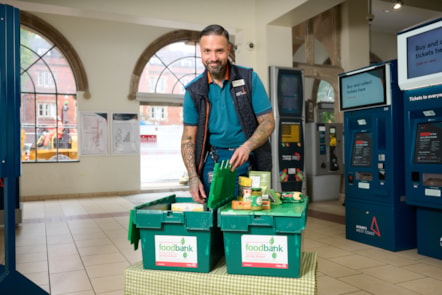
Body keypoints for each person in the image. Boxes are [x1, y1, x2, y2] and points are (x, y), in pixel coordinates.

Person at [181, 24, 275, 204]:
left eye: (219, 51)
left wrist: (247, 147)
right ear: (201, 52)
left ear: (229, 50)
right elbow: (188, 140)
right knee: (214, 219)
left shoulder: (248, 79)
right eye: (207, 51)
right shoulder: (193, 91)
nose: (213, 58)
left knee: (249, 218)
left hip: (249, 159)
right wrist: (193, 177)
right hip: (212, 163)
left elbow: (268, 122)